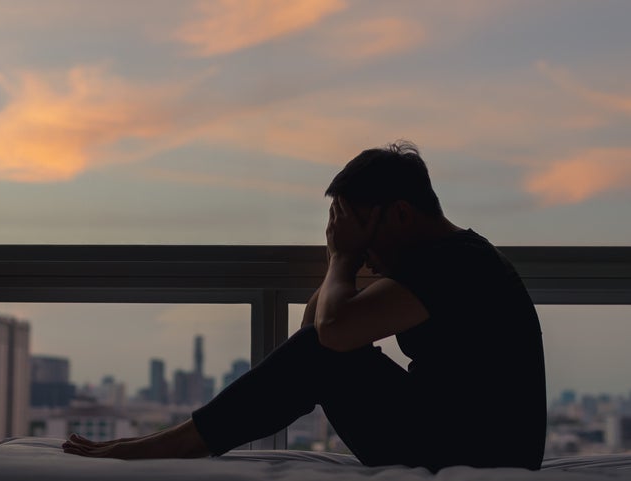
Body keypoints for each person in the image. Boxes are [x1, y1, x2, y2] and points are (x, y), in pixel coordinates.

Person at [63, 141, 547, 471]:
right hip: (461, 437)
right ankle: (179, 439)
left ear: (401, 214)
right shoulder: (449, 259)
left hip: (479, 451)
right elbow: (318, 326)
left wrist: (342, 258)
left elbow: (330, 334)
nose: (366, 255)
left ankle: (179, 442)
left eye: (363, 229)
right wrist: (346, 257)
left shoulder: (453, 265)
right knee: (323, 350)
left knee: (324, 350)